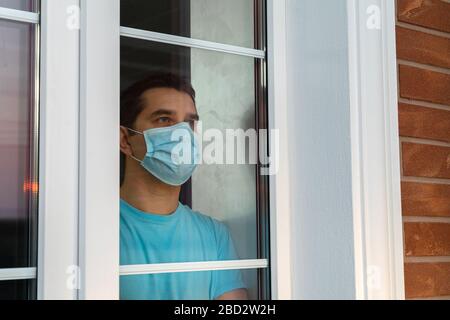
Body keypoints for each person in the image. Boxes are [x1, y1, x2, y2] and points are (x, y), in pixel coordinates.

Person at [119, 73, 248, 300]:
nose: (182, 135)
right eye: (164, 120)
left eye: (189, 123)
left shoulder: (213, 234)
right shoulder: (94, 229)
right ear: (125, 140)